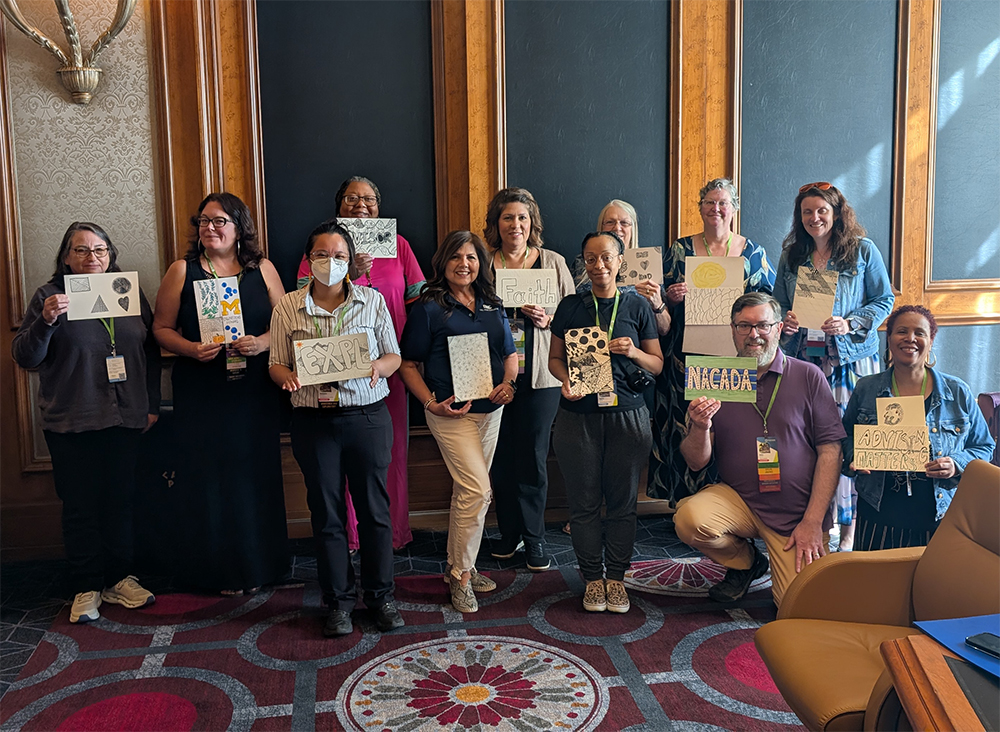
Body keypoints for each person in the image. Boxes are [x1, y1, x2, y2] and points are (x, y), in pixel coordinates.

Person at [13, 222, 161, 623]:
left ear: (111, 255)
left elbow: (149, 349)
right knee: (80, 507)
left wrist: (151, 403)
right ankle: (85, 585)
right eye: (81, 250)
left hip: (126, 414)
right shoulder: (48, 296)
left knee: (121, 501)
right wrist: (45, 321)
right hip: (71, 419)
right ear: (65, 257)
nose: (92, 257)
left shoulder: (125, 292)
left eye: (100, 250)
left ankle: (119, 579)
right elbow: (25, 357)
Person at [269, 220, 405, 636]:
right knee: (327, 515)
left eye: (340, 255)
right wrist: (285, 377)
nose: (331, 262)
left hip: (366, 418)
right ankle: (339, 602)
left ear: (351, 261)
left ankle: (381, 597)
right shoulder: (287, 307)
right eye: (322, 255)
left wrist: (377, 367)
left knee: (374, 513)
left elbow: (393, 356)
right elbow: (275, 362)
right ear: (308, 261)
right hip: (313, 422)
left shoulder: (372, 301)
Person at [153, 192, 290, 595]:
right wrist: (192, 349)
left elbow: (286, 323)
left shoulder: (262, 268)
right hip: (202, 390)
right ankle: (216, 571)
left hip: (253, 390)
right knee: (208, 477)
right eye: (203, 221)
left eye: (219, 221)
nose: (209, 228)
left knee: (253, 473)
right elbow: (161, 329)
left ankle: (261, 566)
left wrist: (263, 343)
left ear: (239, 228)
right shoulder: (182, 270)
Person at [674, 292, 845, 607]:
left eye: (763, 325)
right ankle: (747, 562)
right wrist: (700, 427)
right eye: (744, 326)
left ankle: (788, 561)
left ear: (779, 329)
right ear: (733, 330)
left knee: (799, 607)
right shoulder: (715, 378)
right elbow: (696, 462)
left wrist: (812, 522)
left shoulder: (808, 375)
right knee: (689, 519)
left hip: (796, 516)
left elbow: (831, 452)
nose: (754, 334)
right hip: (740, 500)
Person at [296, 176, 426, 551]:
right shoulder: (321, 248)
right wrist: (347, 272)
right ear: (338, 205)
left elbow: (418, 298)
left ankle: (392, 532)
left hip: (389, 365)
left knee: (388, 452)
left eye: (368, 198)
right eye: (351, 198)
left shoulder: (397, 245)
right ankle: (350, 535)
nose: (360, 204)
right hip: (332, 367)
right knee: (341, 453)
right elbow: (300, 299)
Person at [399, 231, 518, 613]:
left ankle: (458, 566)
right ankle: (462, 577)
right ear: (442, 263)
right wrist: (431, 404)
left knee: (468, 494)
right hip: (451, 414)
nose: (463, 264)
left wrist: (508, 384)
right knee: (478, 490)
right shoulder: (429, 307)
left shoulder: (492, 302)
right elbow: (408, 364)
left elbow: (510, 353)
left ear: (480, 263)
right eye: (455, 257)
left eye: (470, 257)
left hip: (491, 411)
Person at [773, 182, 894, 551]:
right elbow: (776, 302)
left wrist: (852, 322)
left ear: (837, 212)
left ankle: (852, 526)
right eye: (807, 212)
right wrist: (785, 320)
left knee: (847, 438)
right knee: (811, 439)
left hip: (850, 359)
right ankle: (819, 519)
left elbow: (885, 300)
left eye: (822, 211)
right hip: (804, 359)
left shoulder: (863, 251)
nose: (815, 218)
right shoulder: (792, 254)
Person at [549, 231, 664, 614]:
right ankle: (592, 579)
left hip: (628, 417)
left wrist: (633, 351)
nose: (599, 266)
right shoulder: (570, 306)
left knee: (622, 503)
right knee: (582, 505)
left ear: (620, 261)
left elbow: (657, 364)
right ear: (584, 262)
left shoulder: (637, 306)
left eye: (607, 258)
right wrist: (565, 382)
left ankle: (616, 577)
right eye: (591, 259)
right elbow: (554, 360)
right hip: (577, 418)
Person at [649, 178, 775, 507]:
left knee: (732, 427)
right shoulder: (680, 249)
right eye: (709, 203)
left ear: (734, 208)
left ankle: (731, 504)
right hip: (685, 357)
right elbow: (657, 302)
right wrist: (672, 297)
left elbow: (771, 303)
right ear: (700, 208)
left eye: (723, 203)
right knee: (689, 423)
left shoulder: (753, 252)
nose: (716, 209)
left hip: (736, 357)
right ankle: (686, 504)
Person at [842, 305, 994, 550]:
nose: (910, 338)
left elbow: (984, 446)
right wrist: (853, 456)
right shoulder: (866, 388)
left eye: (919, 333)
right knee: (877, 585)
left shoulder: (957, 392)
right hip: (878, 512)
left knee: (936, 586)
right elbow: (845, 436)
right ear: (889, 339)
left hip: (940, 517)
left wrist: (956, 463)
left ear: (931, 341)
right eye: (901, 331)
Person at [483, 188, 573, 570]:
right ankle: (508, 534)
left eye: (522, 217)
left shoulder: (553, 262)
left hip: (541, 377)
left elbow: (573, 317)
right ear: (496, 224)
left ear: (531, 222)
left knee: (534, 457)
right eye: (507, 218)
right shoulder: (484, 262)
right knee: (500, 458)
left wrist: (549, 319)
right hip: (494, 375)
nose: (515, 225)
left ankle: (535, 538)